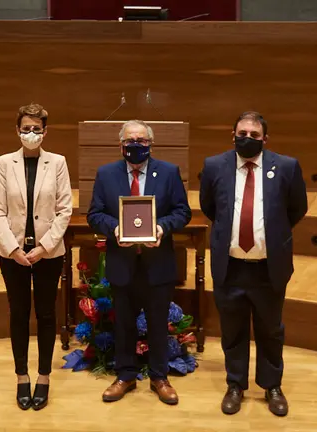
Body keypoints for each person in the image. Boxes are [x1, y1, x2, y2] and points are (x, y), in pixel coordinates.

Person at [199, 111, 307, 416]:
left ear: (265, 140)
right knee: (232, 331)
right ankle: (236, 385)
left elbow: (297, 207)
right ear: (232, 135)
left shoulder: (286, 166)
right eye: (242, 133)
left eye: (254, 135)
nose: (247, 138)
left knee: (270, 330)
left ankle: (272, 386)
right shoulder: (214, 166)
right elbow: (210, 206)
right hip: (230, 266)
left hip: (268, 267)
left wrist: (270, 233)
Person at [87, 120, 191, 405]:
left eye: (142, 140)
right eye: (130, 140)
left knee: (158, 324)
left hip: (157, 264)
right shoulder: (106, 174)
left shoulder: (168, 172)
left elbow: (183, 212)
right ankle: (125, 376)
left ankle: (160, 377)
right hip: (123, 264)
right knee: (123, 326)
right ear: (121, 144)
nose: (136, 145)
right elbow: (94, 214)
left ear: (151, 144)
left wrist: (161, 228)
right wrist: (114, 229)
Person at [0, 103, 72, 411]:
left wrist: (44, 247)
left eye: (37, 129)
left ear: (45, 131)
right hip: (12, 255)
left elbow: (65, 210)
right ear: (17, 130)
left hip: (48, 254)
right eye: (26, 128)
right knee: (19, 314)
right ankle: (22, 375)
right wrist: (13, 249)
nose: (31, 134)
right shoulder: (4, 163)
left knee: (47, 314)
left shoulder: (58, 162)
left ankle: (44, 376)